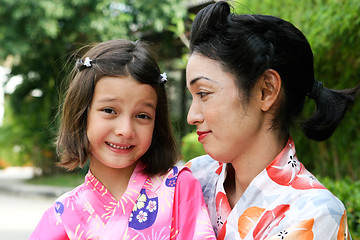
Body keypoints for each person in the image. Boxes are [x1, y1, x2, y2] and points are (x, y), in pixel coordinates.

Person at [186, 1, 359, 239]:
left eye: (204, 94)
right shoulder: (194, 176)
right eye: (192, 97)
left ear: (266, 91)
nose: (191, 116)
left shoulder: (316, 213)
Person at [30, 39, 216, 240]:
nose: (125, 130)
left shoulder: (181, 188)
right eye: (109, 110)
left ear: (157, 123)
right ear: (81, 114)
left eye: (142, 116)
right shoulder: (61, 216)